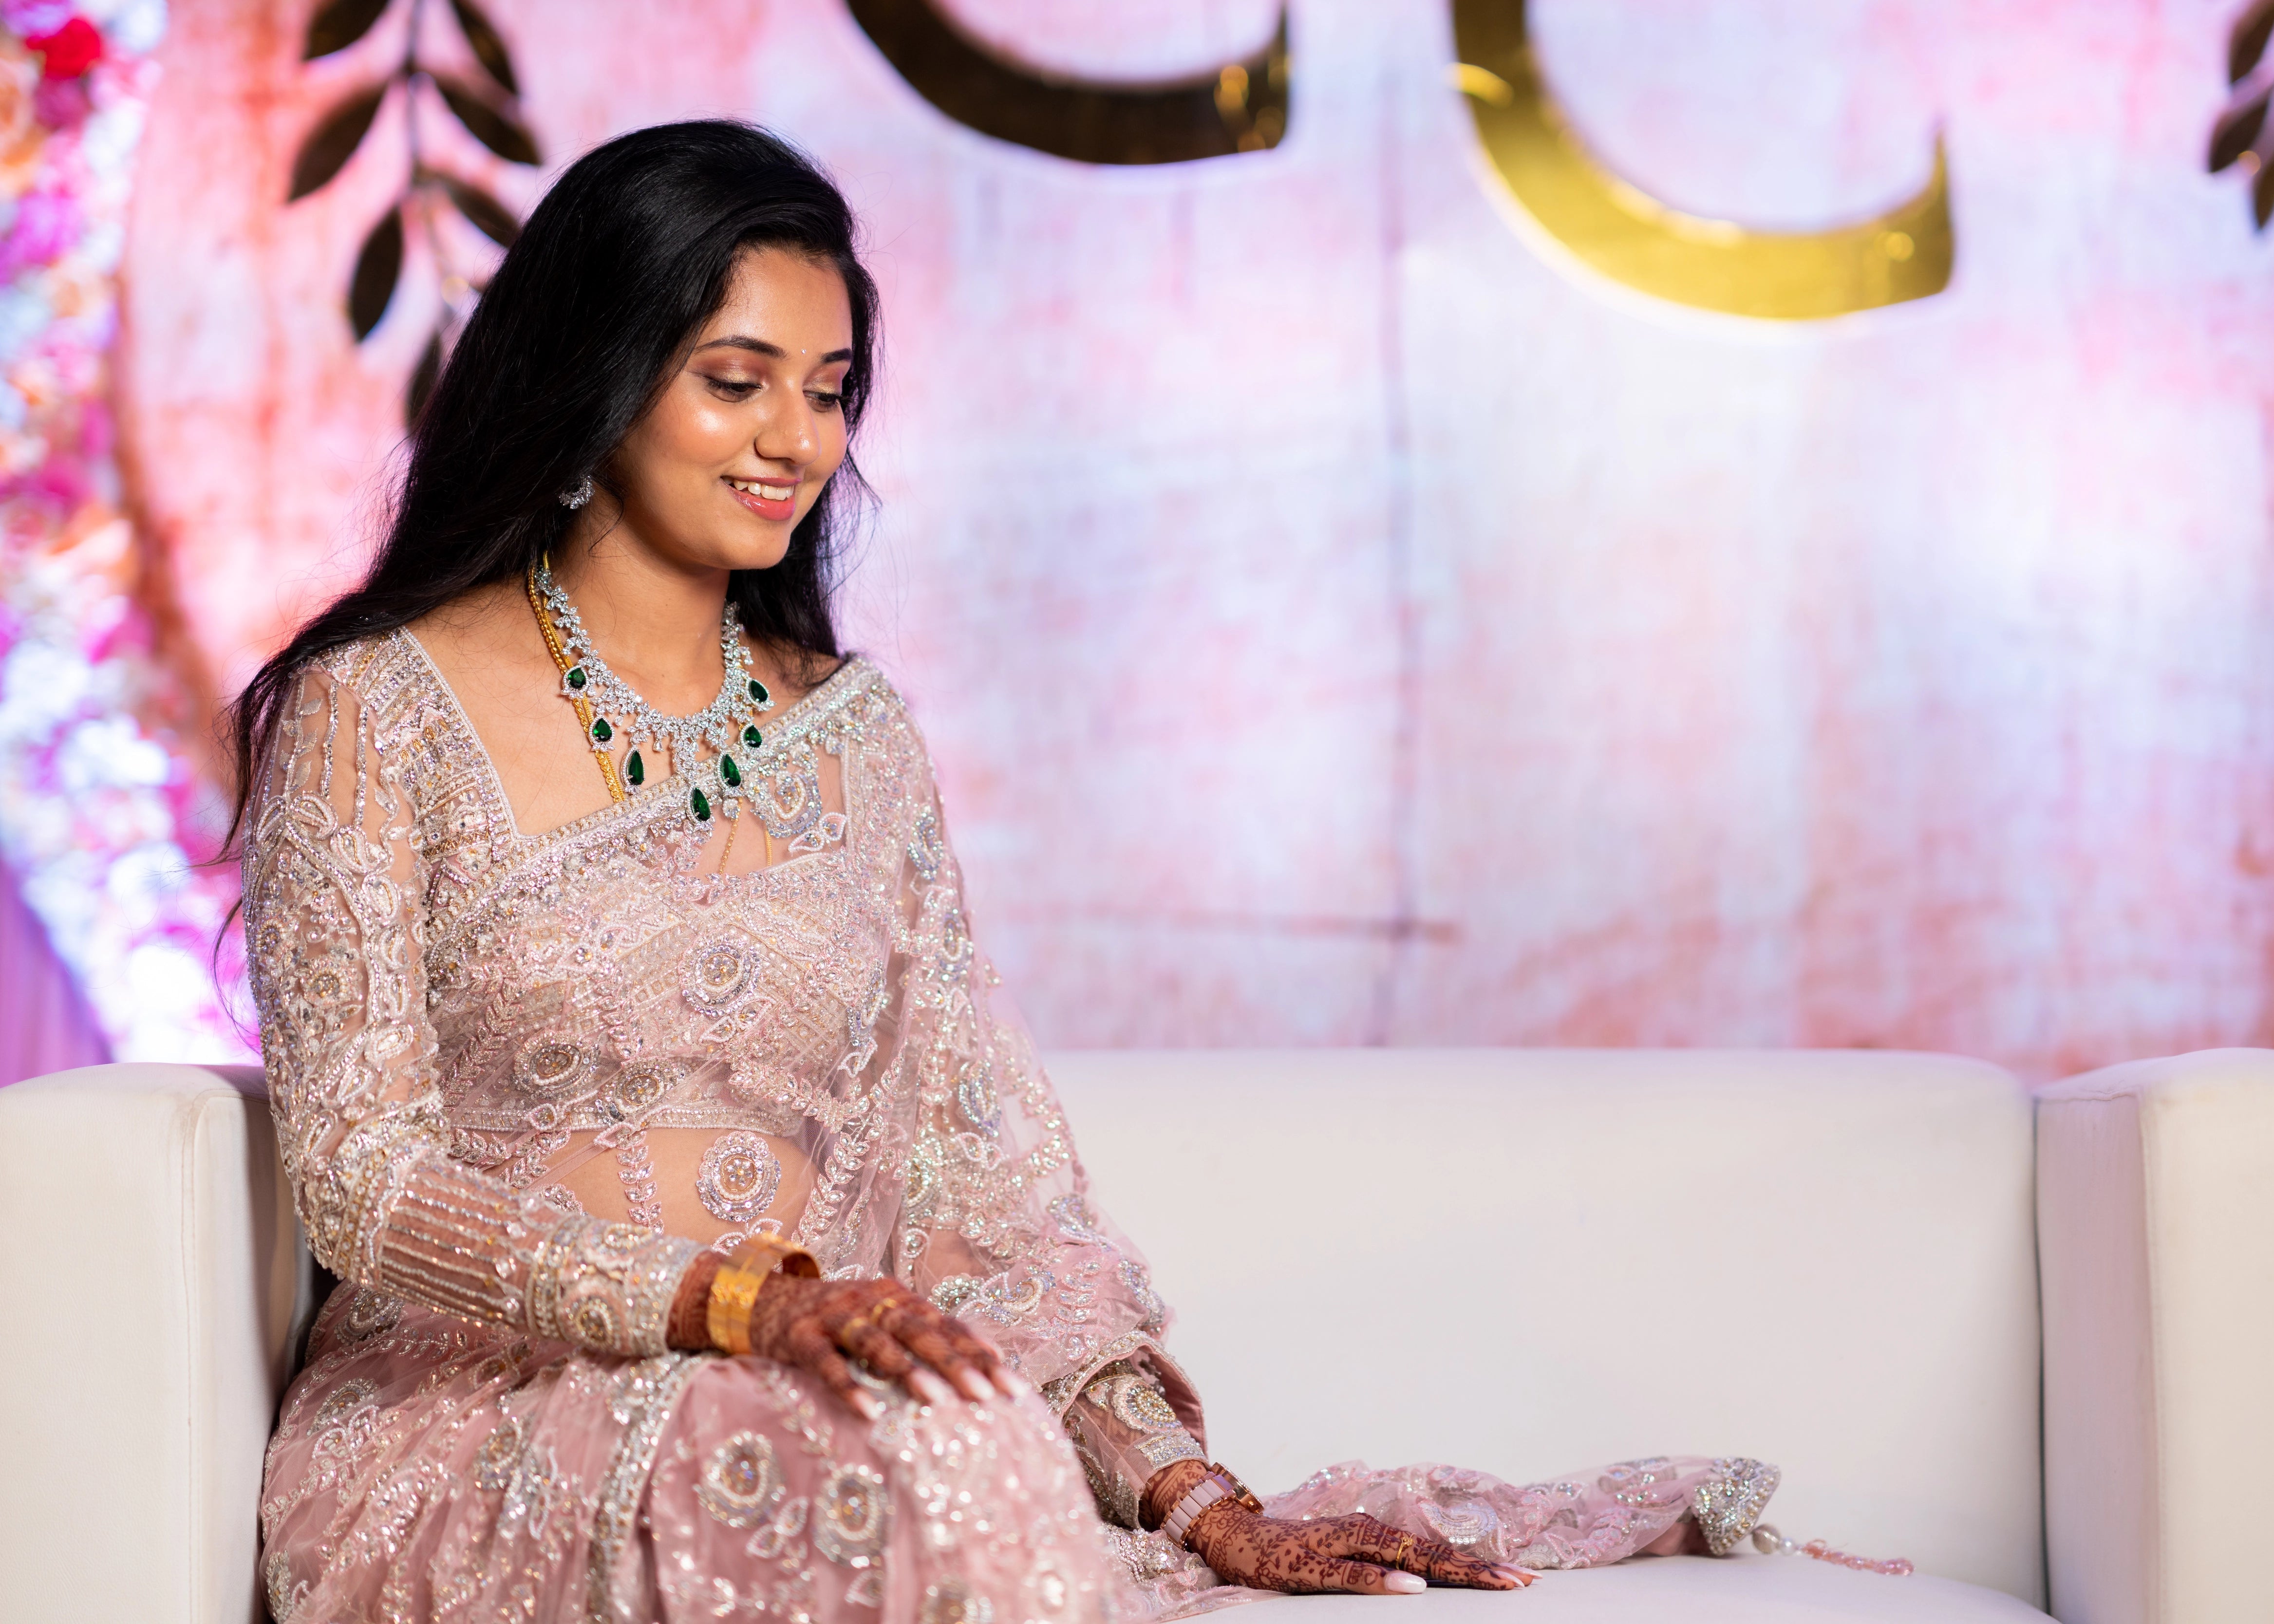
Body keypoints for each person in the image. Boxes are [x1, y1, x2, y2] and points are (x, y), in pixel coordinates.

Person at [234, 121, 1779, 1623]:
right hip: (469, 1424)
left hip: (814, 1388)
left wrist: (1194, 1498)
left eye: (830, 393)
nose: (796, 441)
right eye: (735, 382)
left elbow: (984, 1190)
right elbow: (365, 1184)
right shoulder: (375, 712)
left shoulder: (853, 739)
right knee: (907, 1463)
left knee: (945, 1442)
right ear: (596, 377)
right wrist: (734, 1304)